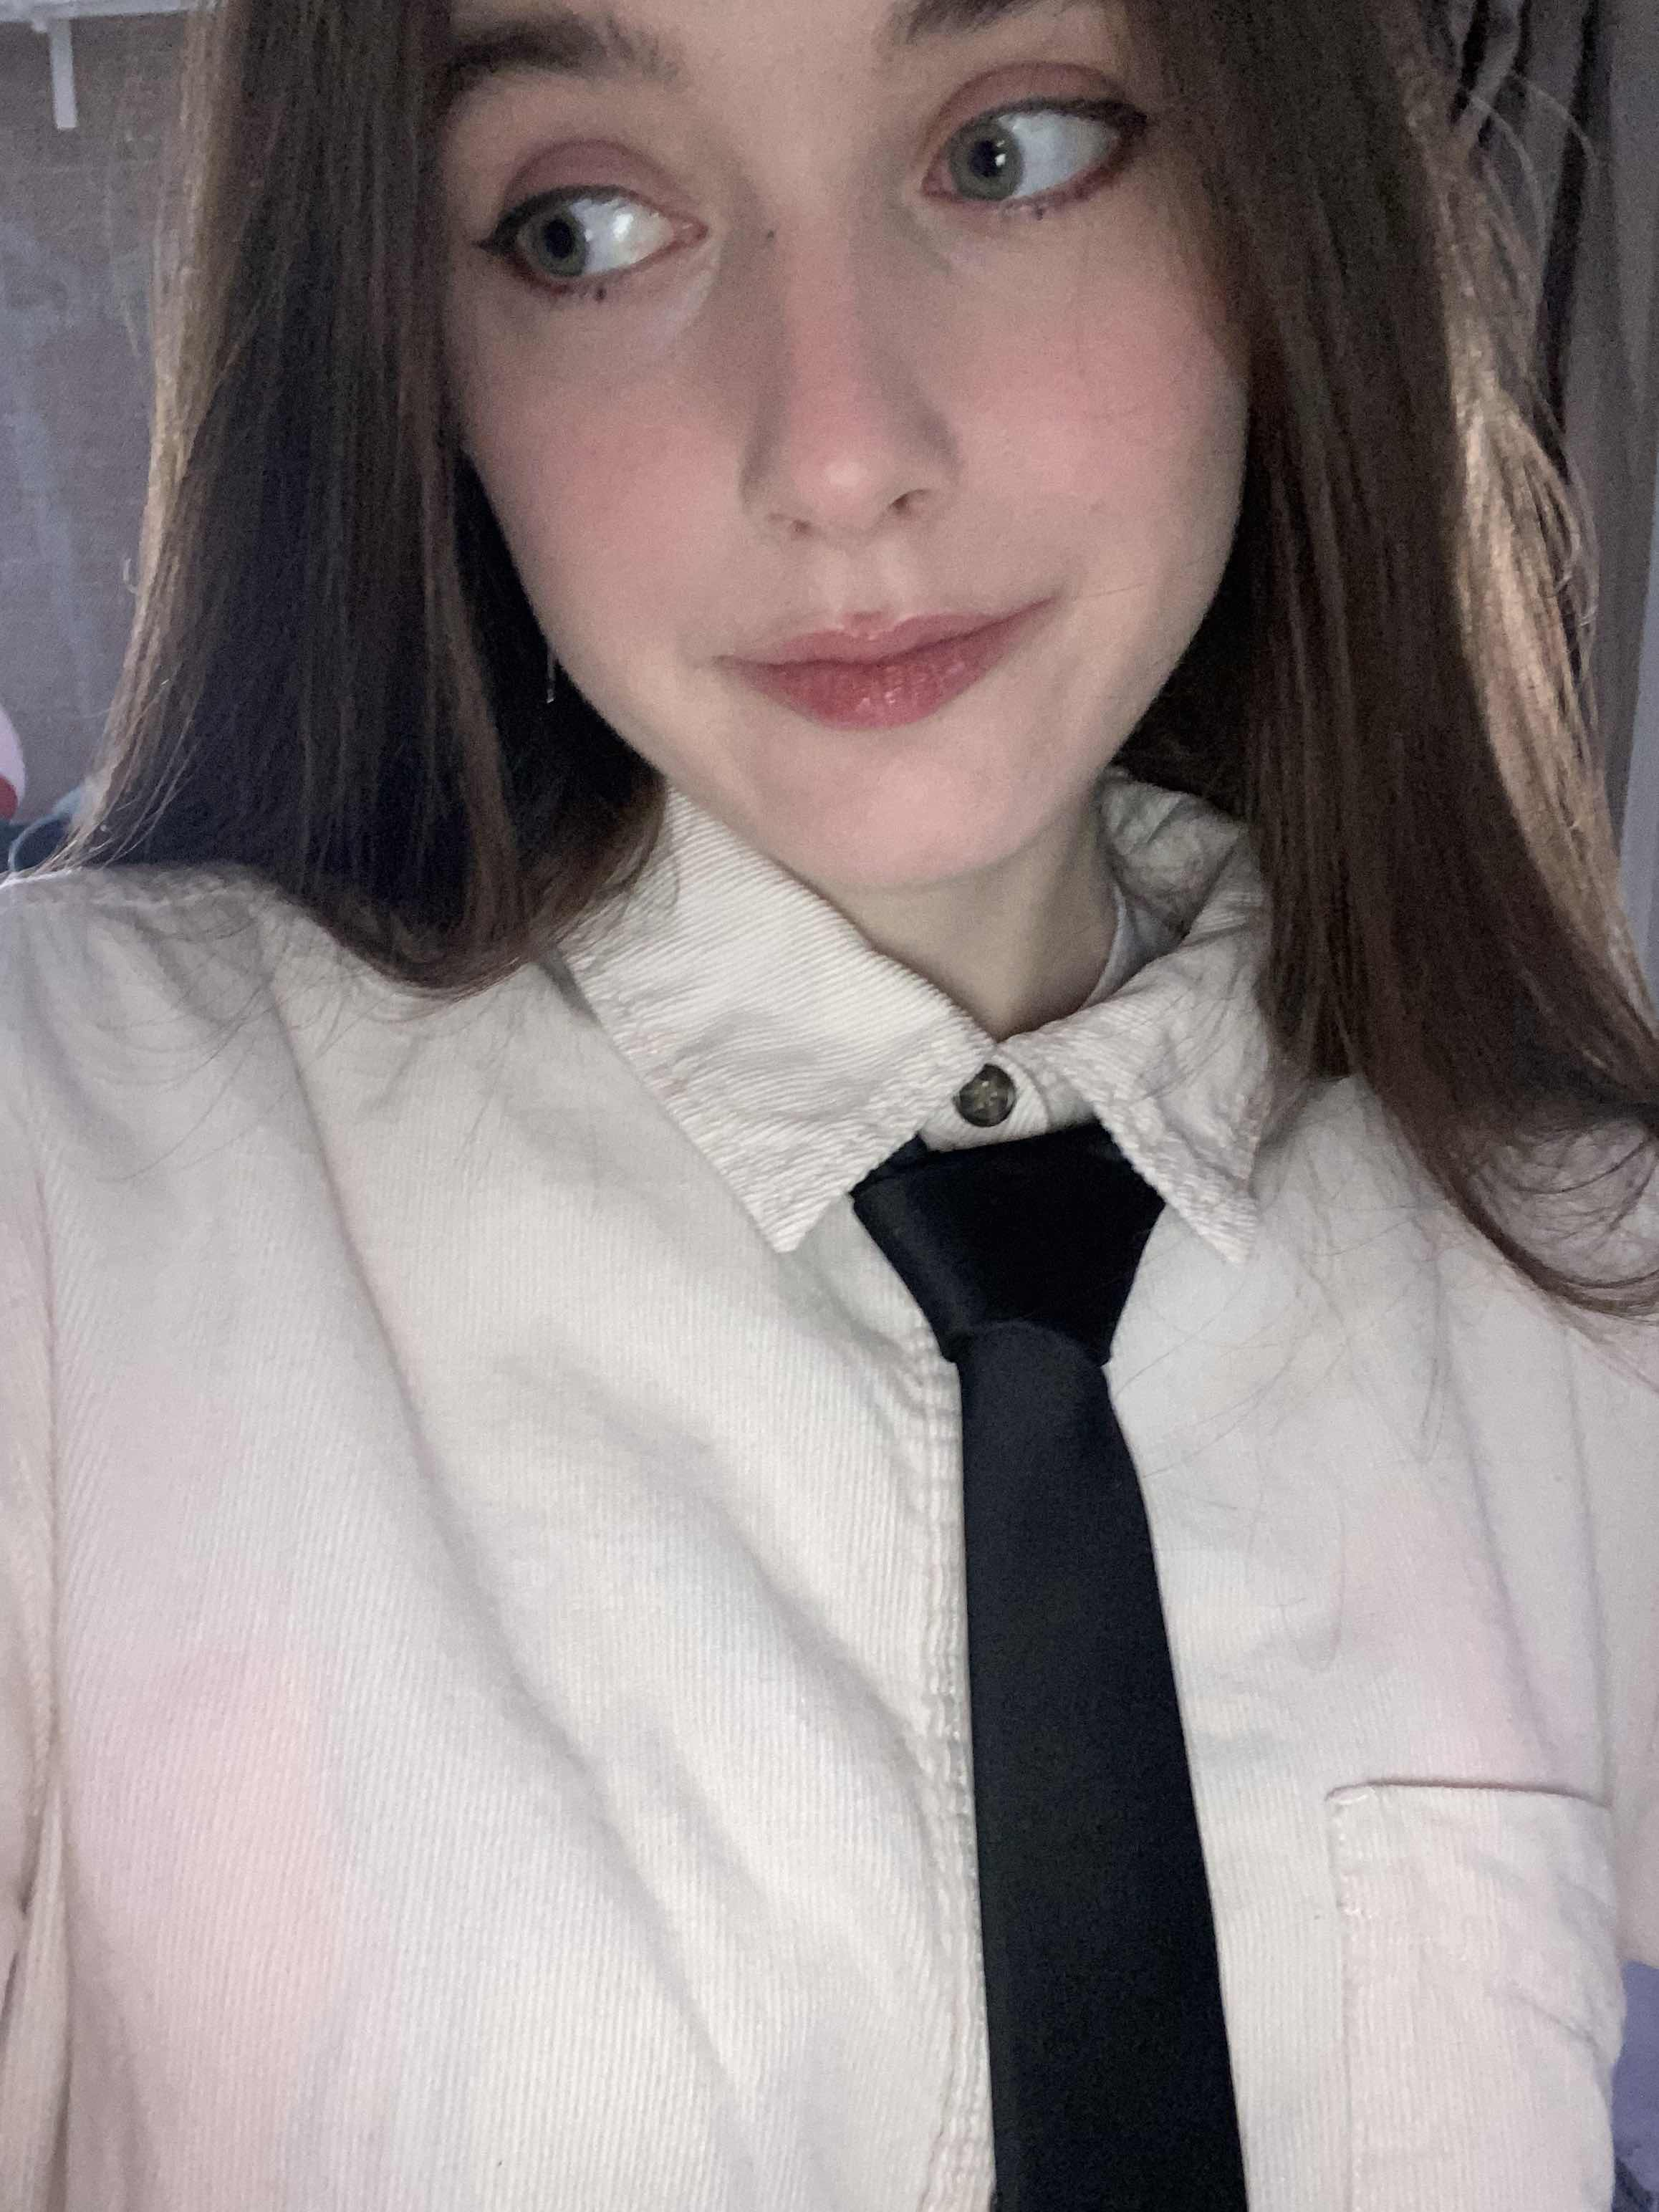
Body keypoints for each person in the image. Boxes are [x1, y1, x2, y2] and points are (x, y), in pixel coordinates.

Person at [0, 0, 1655, 2205]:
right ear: (416, 344)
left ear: (1283, 210)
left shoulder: (1579, 1271)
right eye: (583, 229)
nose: (838, 451)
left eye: (1012, 151)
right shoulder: (67, 1187)